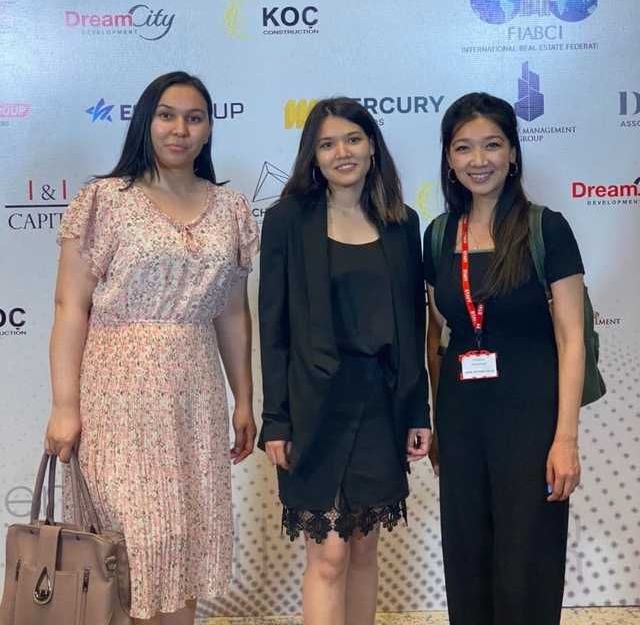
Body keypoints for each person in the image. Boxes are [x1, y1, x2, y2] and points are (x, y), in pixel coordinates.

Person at [44, 71, 259, 625]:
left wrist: (243, 399)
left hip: (195, 394)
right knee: (133, 543)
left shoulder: (231, 208)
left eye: (194, 118)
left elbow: (232, 313)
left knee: (184, 537)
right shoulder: (103, 201)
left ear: (209, 129)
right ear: (145, 121)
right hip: (117, 396)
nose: (180, 129)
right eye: (167, 115)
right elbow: (70, 308)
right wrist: (64, 405)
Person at [258, 97, 431, 625]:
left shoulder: (402, 223)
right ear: (313, 156)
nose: (342, 152)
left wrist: (418, 411)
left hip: (381, 403)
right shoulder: (287, 220)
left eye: (353, 139)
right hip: (314, 407)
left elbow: (413, 324)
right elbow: (274, 328)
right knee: (328, 556)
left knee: (362, 547)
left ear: (372, 146)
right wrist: (276, 419)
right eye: (328, 144)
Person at [423, 92, 585, 625]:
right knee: (467, 560)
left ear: (513, 153)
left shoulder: (546, 228)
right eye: (463, 147)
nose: (479, 160)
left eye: (492, 145)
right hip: (461, 421)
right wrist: (436, 422)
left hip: (531, 421)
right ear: (449, 158)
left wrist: (565, 439)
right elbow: (436, 336)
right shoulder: (439, 235)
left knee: (526, 563)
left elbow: (571, 338)